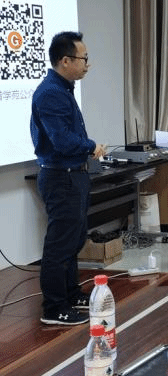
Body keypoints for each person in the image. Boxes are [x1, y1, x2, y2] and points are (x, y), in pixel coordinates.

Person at [31, 31, 106, 325]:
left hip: (74, 176)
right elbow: (61, 141)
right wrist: (91, 146)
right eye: (83, 58)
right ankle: (53, 308)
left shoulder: (63, 89)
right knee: (59, 245)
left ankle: (71, 294)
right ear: (65, 60)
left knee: (74, 240)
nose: (87, 64)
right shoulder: (50, 93)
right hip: (61, 178)